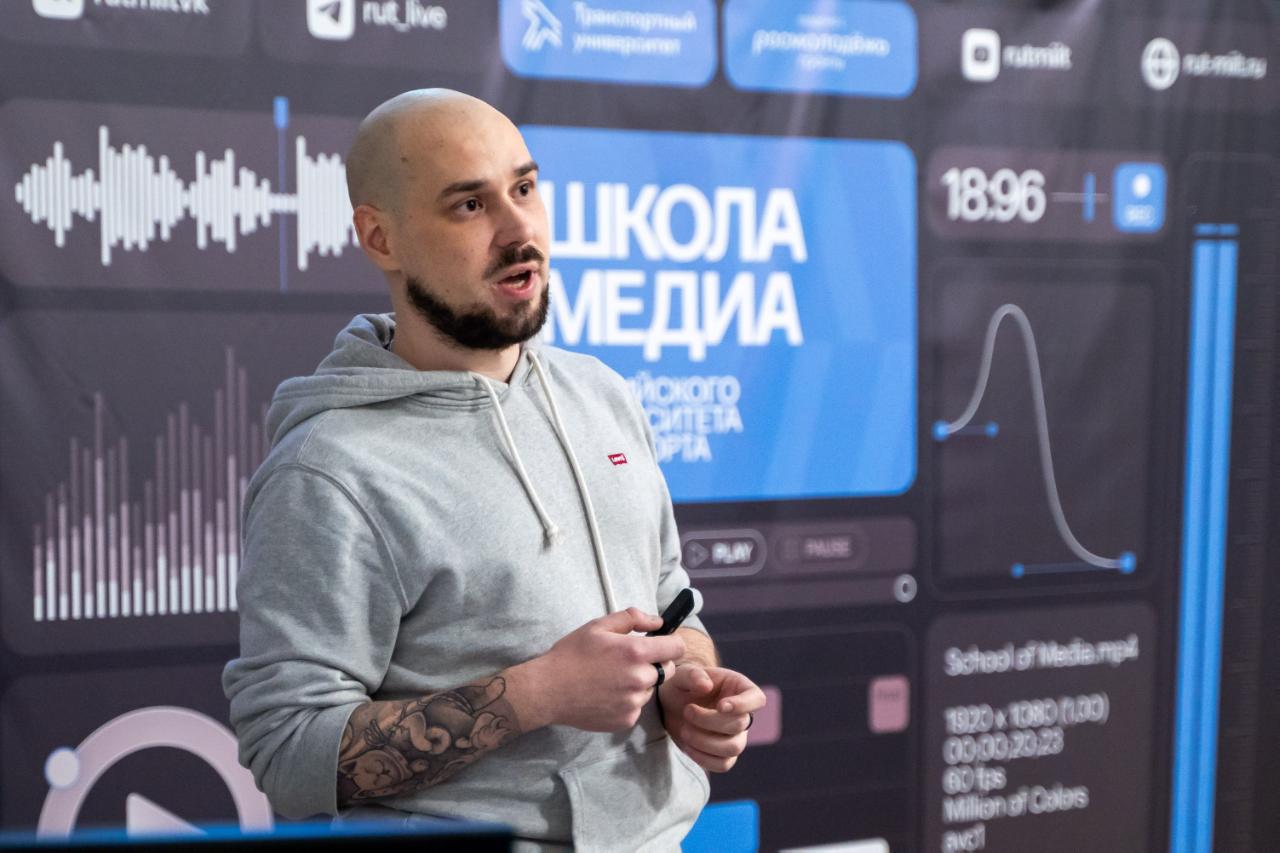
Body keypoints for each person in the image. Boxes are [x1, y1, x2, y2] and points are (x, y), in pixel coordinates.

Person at [222, 89, 766, 850]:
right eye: (470, 205)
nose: (520, 231)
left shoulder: (600, 393)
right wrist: (537, 693)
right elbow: (287, 748)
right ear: (381, 237)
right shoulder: (329, 469)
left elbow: (668, 597)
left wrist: (687, 684)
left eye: (524, 188)